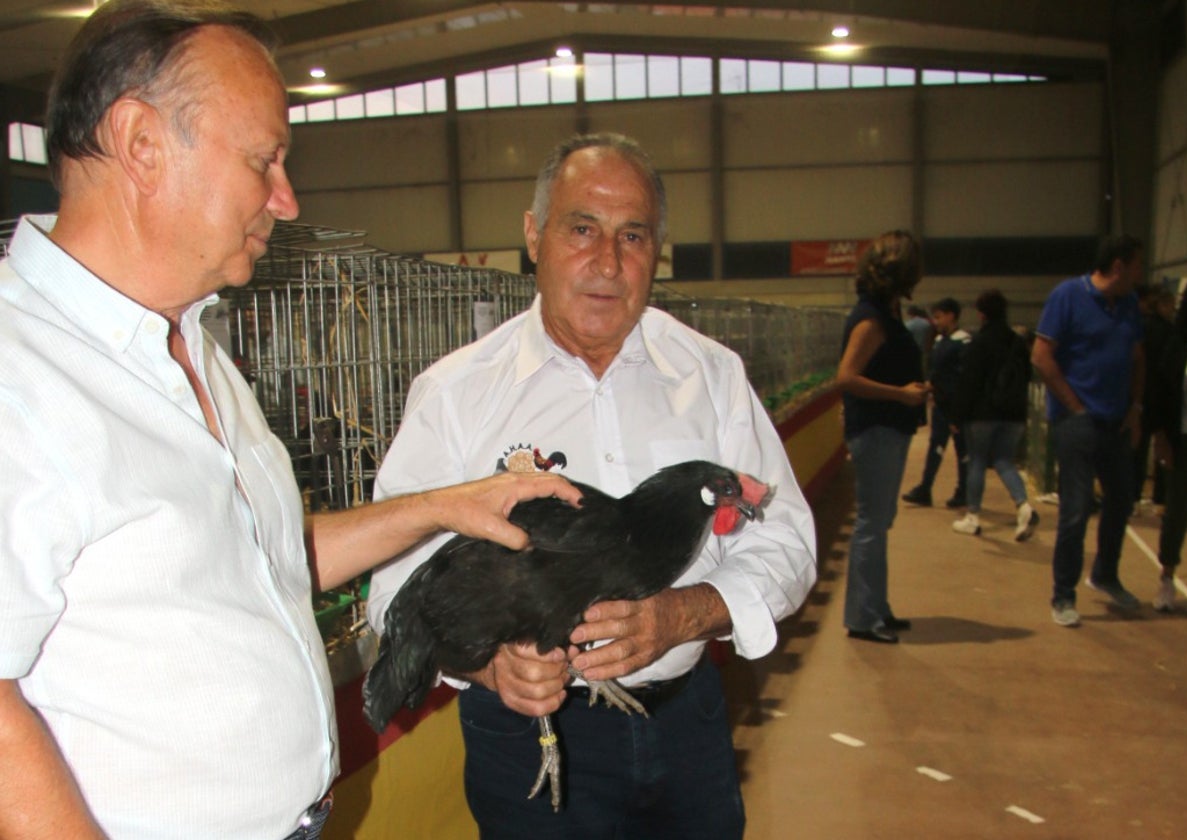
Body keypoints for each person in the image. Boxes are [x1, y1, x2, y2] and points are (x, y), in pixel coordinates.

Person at [0, 4, 581, 838]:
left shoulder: (190, 346)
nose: (285, 196)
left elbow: (267, 555)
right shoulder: (19, 373)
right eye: (263, 159)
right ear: (140, 144)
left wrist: (447, 504)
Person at [366, 132, 818, 838]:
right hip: (526, 736)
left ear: (657, 249)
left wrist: (685, 612)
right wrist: (489, 670)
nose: (607, 262)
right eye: (582, 229)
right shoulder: (456, 394)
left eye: (632, 236)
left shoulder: (711, 376)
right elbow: (393, 581)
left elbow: (785, 536)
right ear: (533, 235)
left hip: (685, 723)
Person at [1032, 234, 1146, 627]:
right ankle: (1063, 595)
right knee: (1076, 511)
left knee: (1122, 499)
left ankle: (1105, 575)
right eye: (1136, 266)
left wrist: (1135, 407)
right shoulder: (1067, 296)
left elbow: (1136, 357)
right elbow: (1041, 356)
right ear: (1118, 266)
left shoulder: (1129, 304)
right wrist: (1075, 407)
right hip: (1077, 423)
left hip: (1115, 423)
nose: (1140, 275)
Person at [835, 230, 931, 644]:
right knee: (872, 523)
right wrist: (902, 394)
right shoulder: (872, 318)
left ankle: (877, 607)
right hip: (876, 430)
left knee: (880, 520)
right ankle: (862, 616)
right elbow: (847, 377)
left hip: (887, 429)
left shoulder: (885, 313)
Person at [948, 290, 1039, 540]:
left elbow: (969, 382)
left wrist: (956, 416)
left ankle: (973, 516)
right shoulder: (1017, 342)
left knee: (977, 461)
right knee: (1004, 461)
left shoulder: (980, 342)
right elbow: (1028, 376)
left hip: (982, 414)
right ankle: (1023, 507)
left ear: (981, 313)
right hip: (1014, 414)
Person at [1150, 275, 1187, 613]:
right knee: (1177, 512)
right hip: (1184, 440)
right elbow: (1161, 396)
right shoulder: (1178, 344)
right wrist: (1162, 439)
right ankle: (1167, 578)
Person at [902, 297, 970, 508]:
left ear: (951, 315)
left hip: (957, 405)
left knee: (962, 450)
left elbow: (963, 377)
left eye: (939, 316)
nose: (936, 321)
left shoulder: (964, 342)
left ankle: (963, 491)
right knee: (935, 447)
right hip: (940, 404)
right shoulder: (941, 341)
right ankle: (925, 487)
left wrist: (938, 386)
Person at [1134, 281, 1175, 512]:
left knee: (1138, 449)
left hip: (1142, 396)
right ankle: (1162, 495)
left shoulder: (1140, 327)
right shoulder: (1170, 331)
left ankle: (1134, 495)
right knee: (1163, 447)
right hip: (1162, 397)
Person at [905, 304, 935, 377]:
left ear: (910, 314)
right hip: (925, 348)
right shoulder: (927, 323)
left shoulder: (908, 324)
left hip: (913, 350)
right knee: (924, 368)